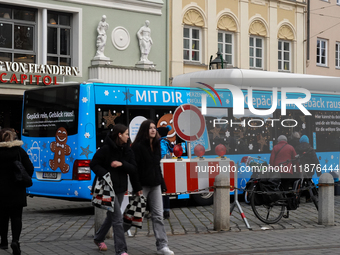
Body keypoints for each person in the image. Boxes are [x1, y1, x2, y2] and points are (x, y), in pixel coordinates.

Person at [90, 124, 142, 255]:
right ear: (119, 135)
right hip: (108, 189)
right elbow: (94, 164)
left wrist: (121, 164)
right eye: (126, 134)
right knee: (117, 219)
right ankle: (121, 250)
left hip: (120, 188)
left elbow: (134, 168)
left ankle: (98, 238)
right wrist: (105, 173)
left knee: (111, 216)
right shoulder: (106, 149)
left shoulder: (127, 150)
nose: (128, 136)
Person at [132, 120, 174, 255]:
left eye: (154, 128)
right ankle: (115, 235)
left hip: (155, 184)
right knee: (133, 216)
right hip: (142, 186)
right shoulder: (137, 146)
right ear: (145, 130)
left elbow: (157, 166)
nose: (153, 130)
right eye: (150, 128)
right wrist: (136, 186)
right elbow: (134, 169)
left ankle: (162, 246)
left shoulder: (157, 145)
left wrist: (162, 183)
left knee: (158, 216)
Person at [0, 128, 34, 255]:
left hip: (1, 191)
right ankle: (15, 241)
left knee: (2, 217)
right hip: (17, 189)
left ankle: (3, 241)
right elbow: (30, 168)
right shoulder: (19, 151)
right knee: (16, 217)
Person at [295, 135, 320, 201]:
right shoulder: (311, 149)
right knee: (308, 183)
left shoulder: (296, 148)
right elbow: (315, 161)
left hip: (300, 170)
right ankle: (308, 198)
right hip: (309, 170)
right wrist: (318, 172)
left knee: (300, 183)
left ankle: (297, 198)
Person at [157, 126, 174, 220]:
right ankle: (166, 210)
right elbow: (172, 150)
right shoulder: (167, 141)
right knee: (165, 190)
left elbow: (162, 153)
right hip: (168, 166)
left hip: (161, 166)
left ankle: (159, 211)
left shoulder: (160, 142)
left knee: (160, 190)